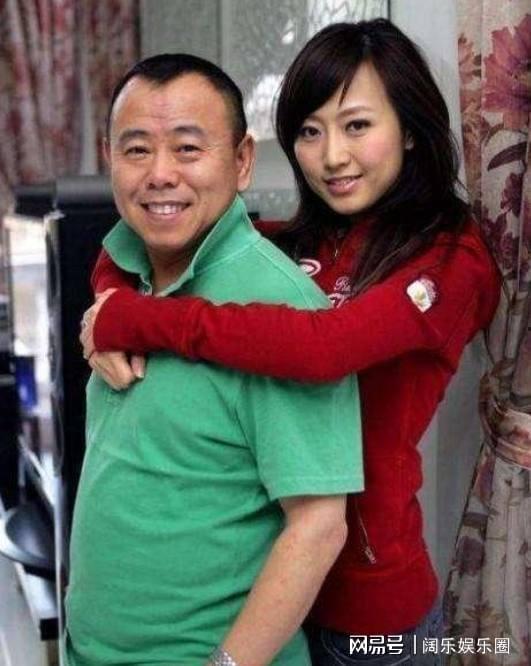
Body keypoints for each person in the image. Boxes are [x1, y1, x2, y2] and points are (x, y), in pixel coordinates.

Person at [81, 19, 501, 666]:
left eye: (356, 126)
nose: (332, 156)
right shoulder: (302, 241)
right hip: (271, 592)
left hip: (366, 612)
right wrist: (110, 298)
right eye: (309, 131)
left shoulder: (450, 260)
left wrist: (134, 320)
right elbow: (156, 237)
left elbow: (322, 349)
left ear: (410, 130)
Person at [67, 53, 364, 666]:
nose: (160, 174)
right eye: (137, 150)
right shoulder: (125, 281)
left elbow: (318, 527)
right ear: (109, 158)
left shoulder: (278, 309)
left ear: (242, 160)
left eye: (187, 148)